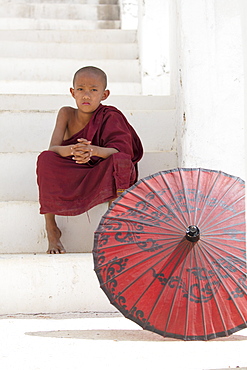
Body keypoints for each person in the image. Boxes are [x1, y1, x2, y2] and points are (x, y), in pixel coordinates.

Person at [36, 66, 143, 254]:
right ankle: (51, 228)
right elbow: (53, 148)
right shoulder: (66, 114)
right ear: (72, 92)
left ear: (105, 94)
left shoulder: (110, 116)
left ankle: (113, 224)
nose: (86, 95)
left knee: (120, 162)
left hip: (97, 168)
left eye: (94, 90)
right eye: (81, 89)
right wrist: (74, 150)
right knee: (45, 159)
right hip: (73, 165)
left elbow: (123, 151)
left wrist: (92, 151)